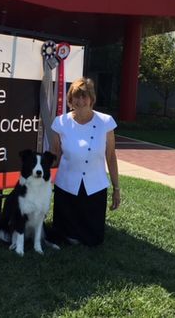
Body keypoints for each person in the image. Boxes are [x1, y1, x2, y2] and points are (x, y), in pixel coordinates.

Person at [50, 77, 120, 246]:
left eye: (84, 96)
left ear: (92, 99)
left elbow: (110, 156)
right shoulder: (60, 122)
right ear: (70, 99)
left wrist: (116, 188)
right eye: (76, 96)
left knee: (93, 240)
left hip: (95, 187)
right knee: (63, 237)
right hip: (66, 187)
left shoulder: (106, 122)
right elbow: (55, 155)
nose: (80, 101)